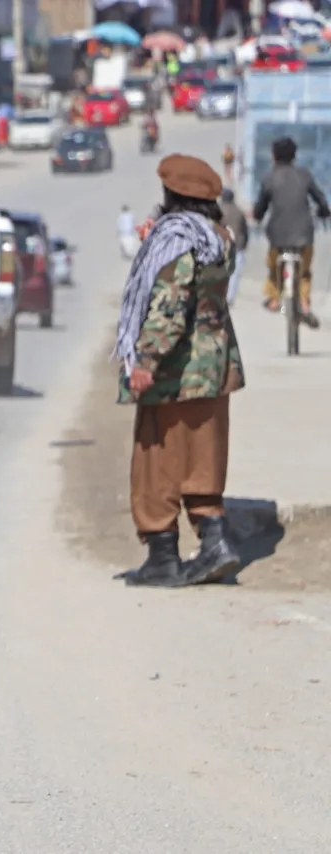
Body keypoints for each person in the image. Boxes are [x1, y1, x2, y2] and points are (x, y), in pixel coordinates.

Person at [115, 154, 244, 588]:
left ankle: (163, 558)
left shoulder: (178, 241)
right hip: (215, 364)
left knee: (157, 460)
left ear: (173, 196)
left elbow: (168, 308)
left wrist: (145, 362)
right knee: (204, 460)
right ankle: (214, 545)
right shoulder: (218, 237)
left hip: (178, 371)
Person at [254, 137, 330, 327]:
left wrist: (257, 216)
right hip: (304, 233)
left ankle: (273, 299)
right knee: (304, 272)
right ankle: (304, 304)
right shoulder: (304, 175)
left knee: (273, 267)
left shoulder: (269, 178)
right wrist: (324, 213)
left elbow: (260, 208)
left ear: (273, 156)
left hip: (277, 236)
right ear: (295, 155)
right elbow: (320, 199)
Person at [219, 188, 249, 304]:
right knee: (234, 274)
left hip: (220, 246)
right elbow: (245, 231)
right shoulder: (239, 212)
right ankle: (230, 297)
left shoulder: (216, 210)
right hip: (237, 247)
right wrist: (245, 245)